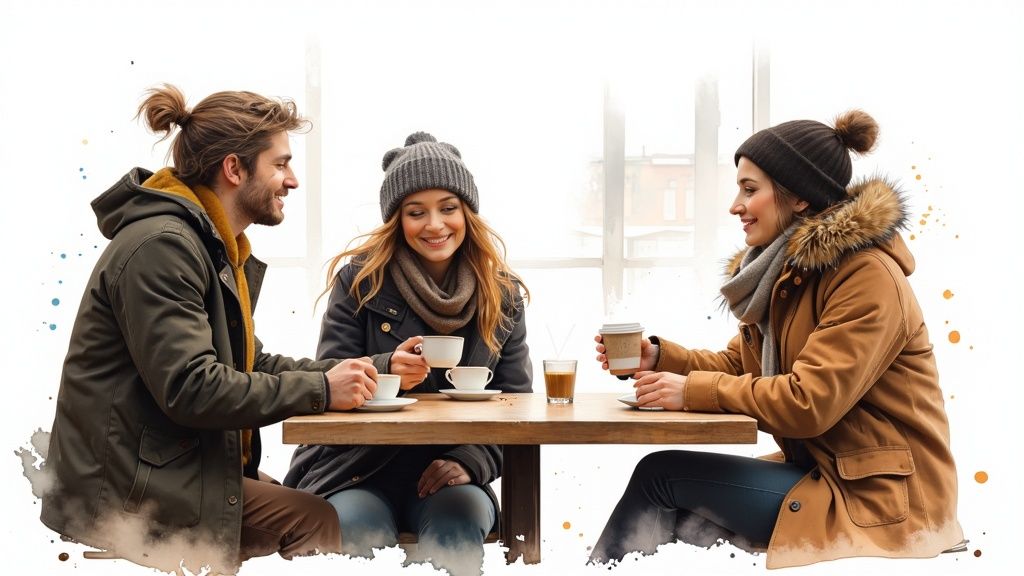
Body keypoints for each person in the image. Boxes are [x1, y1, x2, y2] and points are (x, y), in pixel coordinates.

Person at [590, 110, 963, 569]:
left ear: (800, 198)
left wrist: (691, 391)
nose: (735, 205)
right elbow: (742, 366)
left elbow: (810, 401)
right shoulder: (788, 274)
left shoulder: (866, 276)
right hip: (829, 472)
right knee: (668, 489)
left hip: (884, 499)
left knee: (661, 478)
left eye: (750, 190)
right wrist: (663, 358)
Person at [40, 84, 381, 574]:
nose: (293, 180)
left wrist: (373, 369)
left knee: (301, 500)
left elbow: (249, 364)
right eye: (280, 164)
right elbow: (192, 388)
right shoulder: (164, 248)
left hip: (164, 465)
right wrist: (321, 390)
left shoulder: (210, 245)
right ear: (234, 169)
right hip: (126, 489)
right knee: (313, 516)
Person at [284, 131, 531, 575]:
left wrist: (469, 461)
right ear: (397, 219)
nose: (434, 225)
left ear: (467, 214)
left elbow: (519, 406)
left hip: (451, 475)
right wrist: (384, 367)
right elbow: (325, 378)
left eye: (448, 208)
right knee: (360, 532)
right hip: (355, 469)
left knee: (457, 526)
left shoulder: (502, 296)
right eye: (416, 212)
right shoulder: (360, 281)